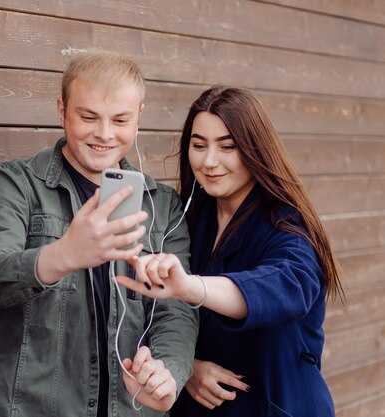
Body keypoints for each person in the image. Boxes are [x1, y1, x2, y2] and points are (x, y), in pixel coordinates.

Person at [0, 50, 198, 417]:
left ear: (139, 116)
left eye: (120, 120)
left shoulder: (163, 204)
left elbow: (176, 310)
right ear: (61, 110)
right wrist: (62, 255)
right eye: (88, 116)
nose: (104, 134)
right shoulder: (16, 184)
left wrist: (169, 370)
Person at [116, 86, 344, 417]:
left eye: (228, 146)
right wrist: (186, 367)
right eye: (198, 145)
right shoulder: (188, 218)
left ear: (256, 150)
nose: (210, 161)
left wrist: (192, 287)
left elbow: (289, 286)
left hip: (278, 405)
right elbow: (156, 316)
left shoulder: (288, 226)